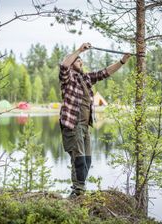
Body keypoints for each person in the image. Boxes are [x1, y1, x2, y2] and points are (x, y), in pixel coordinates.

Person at [59, 42, 131, 198]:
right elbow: (64, 65)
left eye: (81, 60)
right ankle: (78, 191)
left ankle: (79, 189)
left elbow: (104, 73)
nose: (81, 62)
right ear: (72, 63)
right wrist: (79, 50)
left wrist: (122, 61)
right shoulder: (67, 78)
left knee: (87, 160)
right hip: (73, 125)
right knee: (78, 159)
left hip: (85, 126)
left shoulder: (85, 78)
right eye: (78, 60)